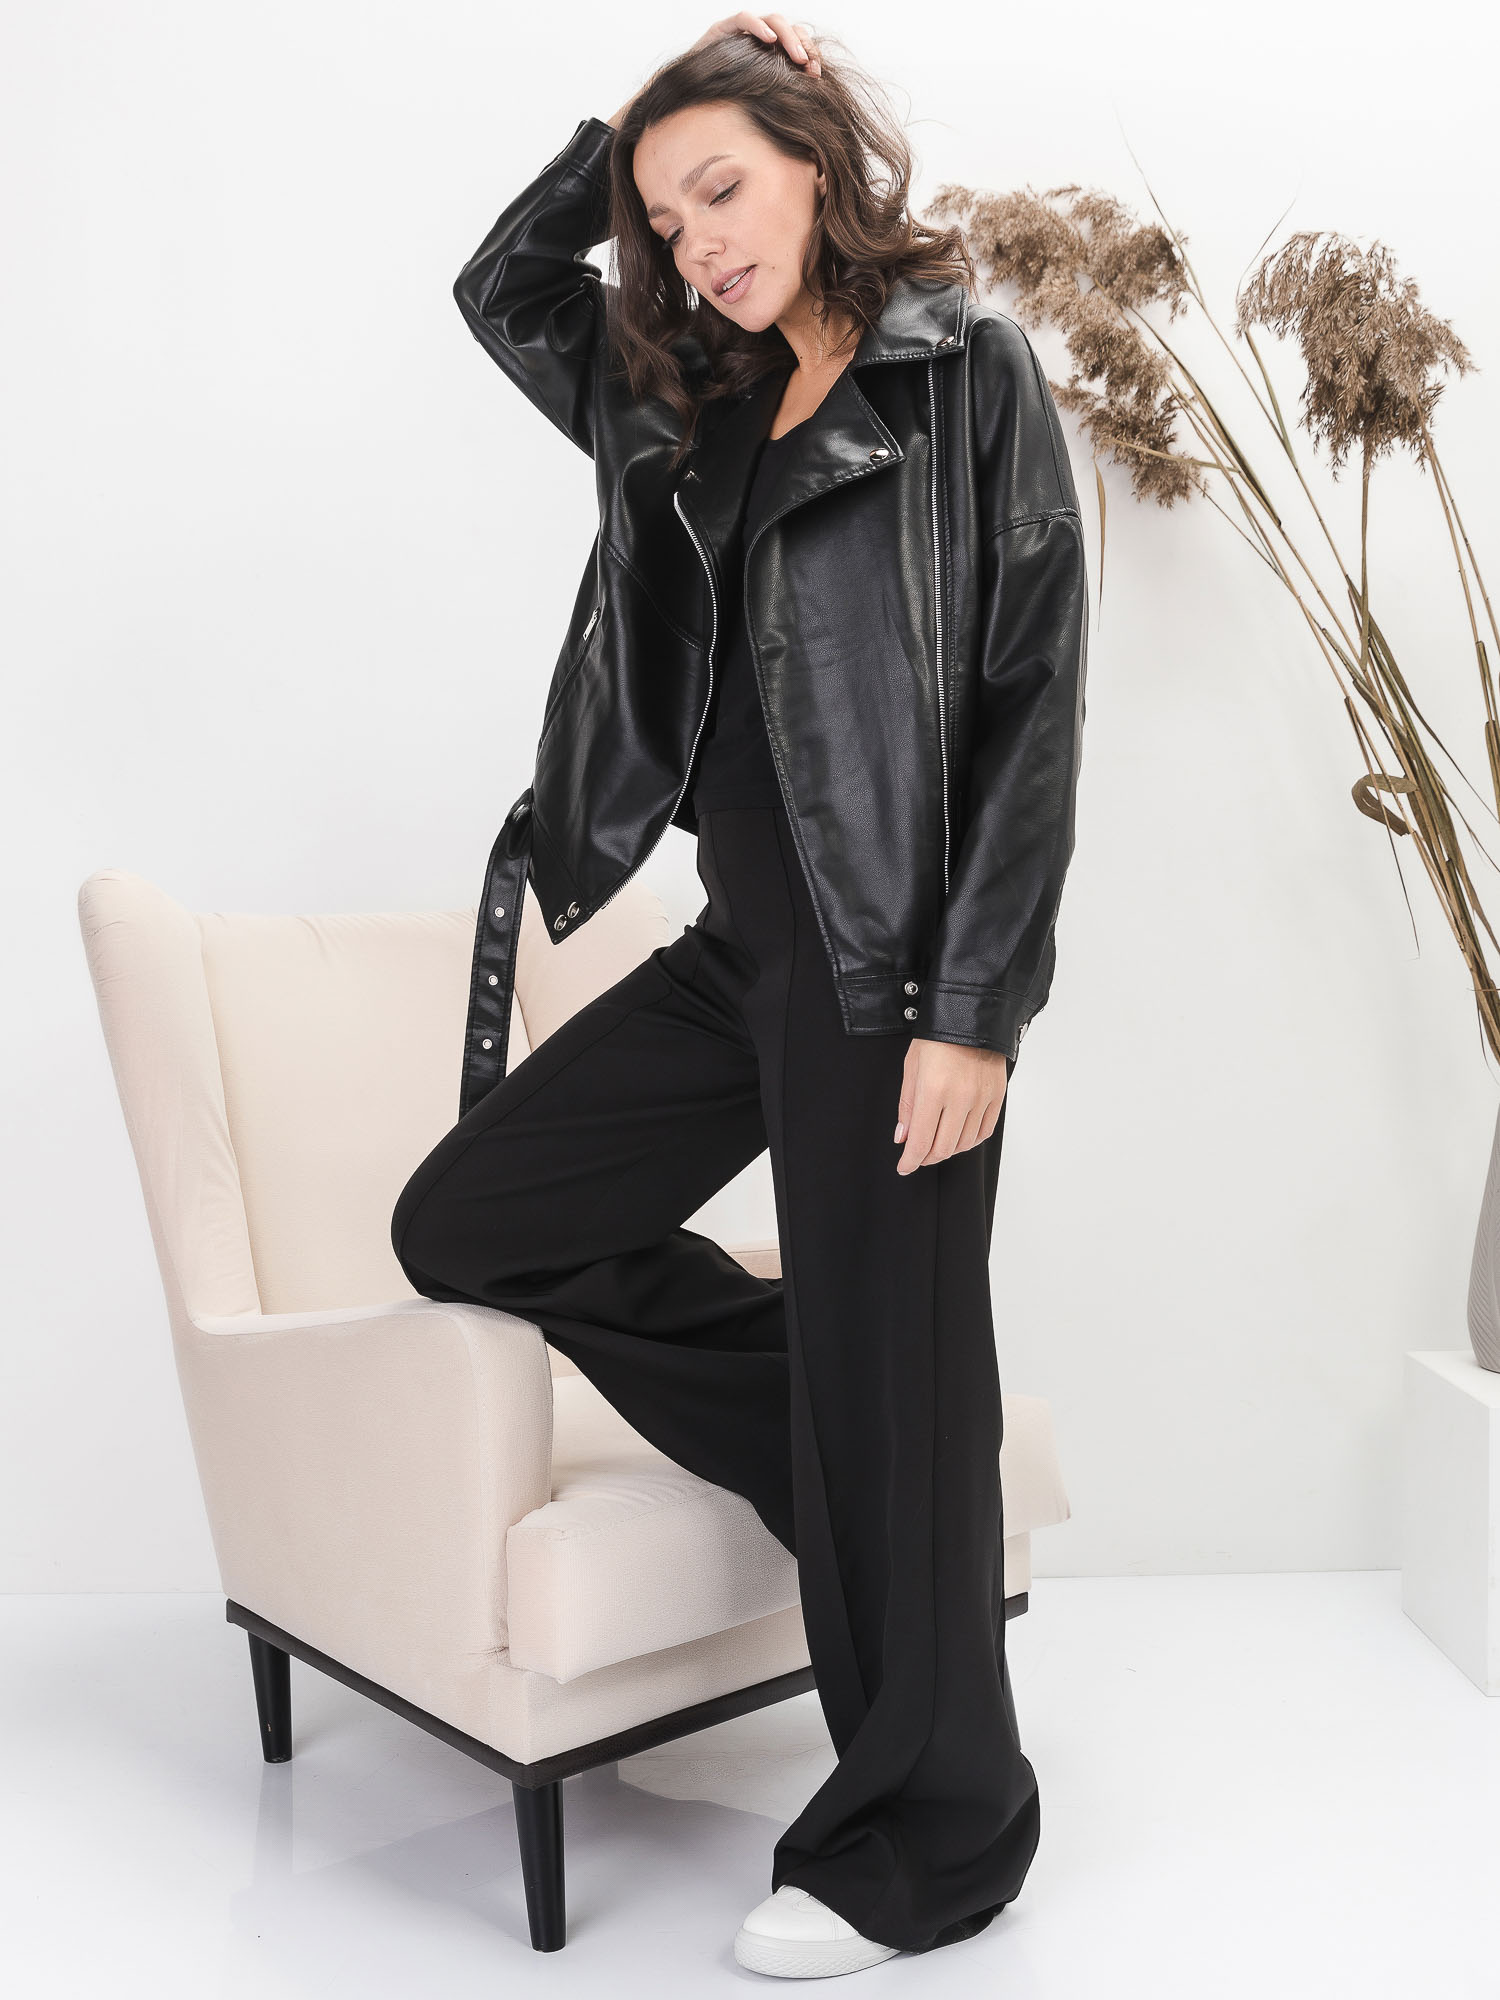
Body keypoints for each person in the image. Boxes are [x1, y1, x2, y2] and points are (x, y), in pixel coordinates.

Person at [392, 11, 1089, 1979]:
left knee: (895, 1384)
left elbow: (1033, 705)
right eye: (667, 212)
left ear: (816, 162)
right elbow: (503, 287)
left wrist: (977, 1006)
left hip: (897, 979)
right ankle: (854, 1440)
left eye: (726, 187)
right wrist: (634, 111)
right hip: (737, 952)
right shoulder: (674, 397)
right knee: (475, 1213)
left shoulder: (968, 375)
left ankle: (934, 1844)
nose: (699, 239)